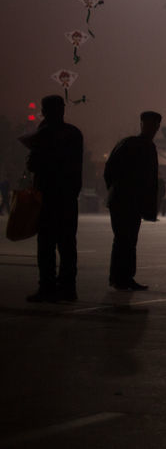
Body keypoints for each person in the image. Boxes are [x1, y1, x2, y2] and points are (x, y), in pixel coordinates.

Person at [20, 95, 84, 303]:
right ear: (63, 110)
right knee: (67, 245)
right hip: (68, 197)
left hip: (47, 195)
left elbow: (32, 164)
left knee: (46, 244)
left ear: (45, 111)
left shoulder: (44, 134)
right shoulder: (74, 133)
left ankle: (47, 287)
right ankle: (68, 288)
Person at [104, 111, 162, 292]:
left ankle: (122, 277)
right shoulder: (139, 146)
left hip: (127, 201)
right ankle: (122, 278)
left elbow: (109, 171)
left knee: (126, 240)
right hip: (126, 201)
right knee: (125, 240)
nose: (152, 129)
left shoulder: (130, 144)